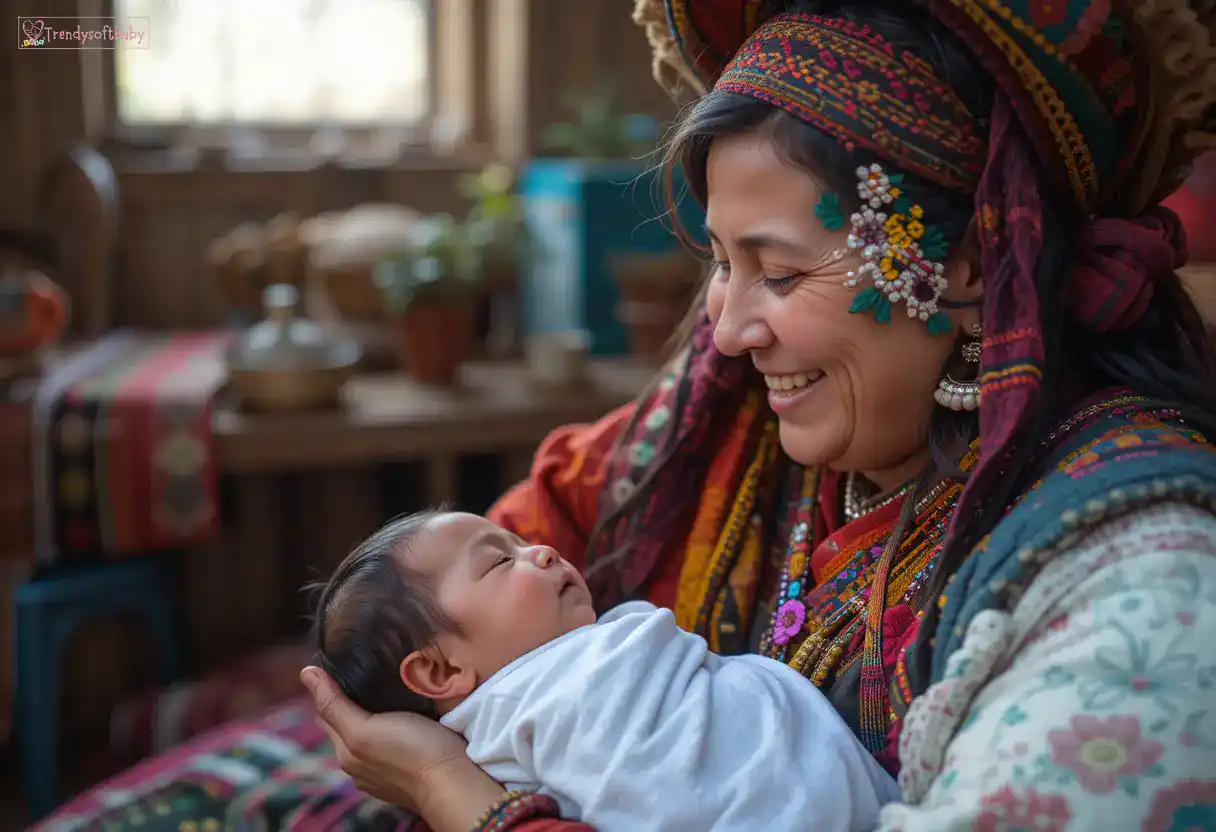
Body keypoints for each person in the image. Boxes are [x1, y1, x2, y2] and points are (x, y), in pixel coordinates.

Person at [297, 1, 1216, 831]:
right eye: (721, 264)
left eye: (778, 273)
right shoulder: (740, 429)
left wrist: (460, 798)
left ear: (973, 265)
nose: (727, 330)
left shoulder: (1138, 585)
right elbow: (480, 567)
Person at [314, 509, 899, 831]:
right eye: (499, 562)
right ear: (441, 673)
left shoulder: (585, 653)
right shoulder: (511, 729)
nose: (540, 551)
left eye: (520, 541)